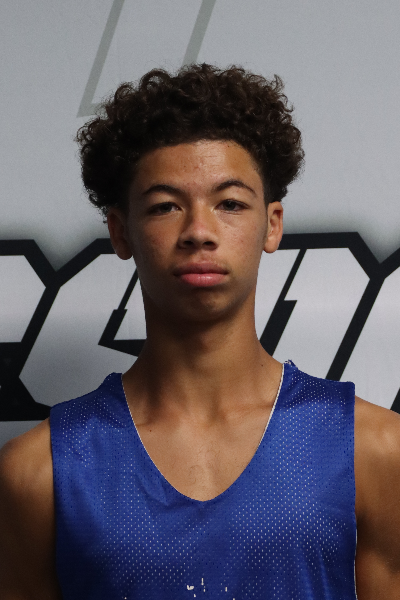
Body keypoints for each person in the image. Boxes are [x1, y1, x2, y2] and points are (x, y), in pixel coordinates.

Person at [0, 63, 399, 600]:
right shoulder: (38, 472)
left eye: (229, 203)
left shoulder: (375, 449)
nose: (199, 232)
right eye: (166, 206)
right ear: (120, 231)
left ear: (272, 224)